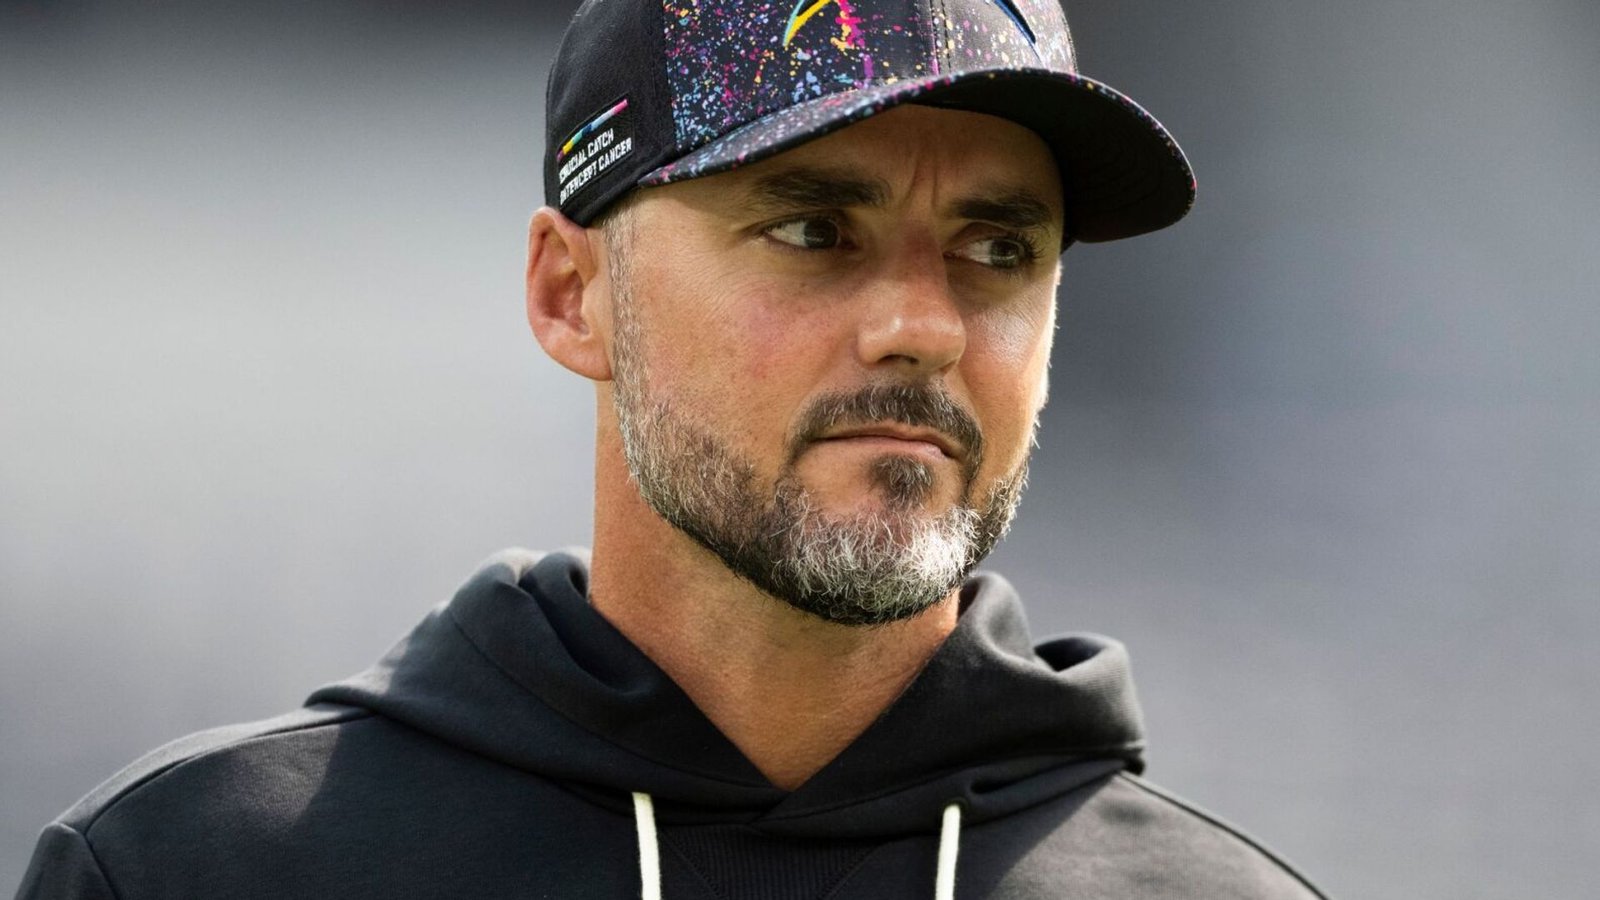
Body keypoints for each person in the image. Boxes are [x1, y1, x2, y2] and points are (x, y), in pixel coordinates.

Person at [19, 1, 1327, 897]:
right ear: (571, 295)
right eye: (813, 230)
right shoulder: (196, 871)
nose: (925, 328)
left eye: (998, 249)